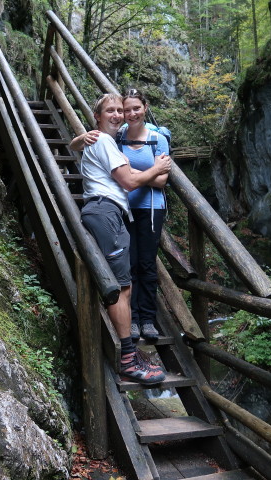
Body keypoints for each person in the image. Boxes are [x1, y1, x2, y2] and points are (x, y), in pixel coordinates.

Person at [78, 92, 170, 384]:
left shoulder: (103, 141)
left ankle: (129, 352)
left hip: (111, 211)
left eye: (121, 110)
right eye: (111, 110)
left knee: (126, 285)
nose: (118, 114)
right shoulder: (105, 141)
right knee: (120, 287)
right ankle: (128, 359)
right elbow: (130, 181)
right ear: (98, 116)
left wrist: (78, 140)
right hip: (106, 209)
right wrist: (156, 168)